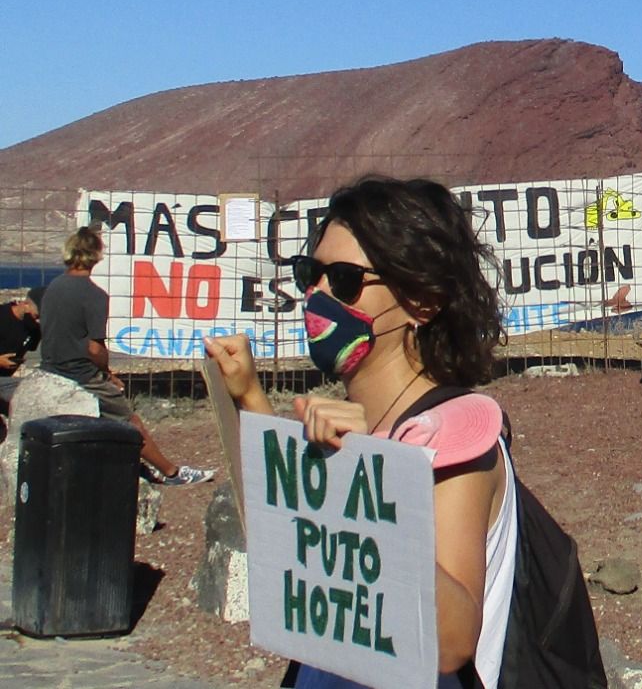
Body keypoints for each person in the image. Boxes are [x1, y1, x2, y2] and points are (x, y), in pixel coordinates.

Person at [204, 176, 550, 687]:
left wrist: (362, 474)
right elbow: (297, 552)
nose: (317, 295)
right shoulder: (358, 425)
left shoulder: (455, 435)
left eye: (345, 280)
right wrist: (250, 399)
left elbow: (453, 640)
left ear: (423, 301)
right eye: (310, 274)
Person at [38, 228, 213, 484]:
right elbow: (94, 349)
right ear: (96, 255)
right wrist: (107, 374)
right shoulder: (94, 295)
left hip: (50, 369)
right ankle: (171, 472)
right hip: (80, 374)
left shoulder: (53, 288)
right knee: (129, 421)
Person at [0, 289, 42, 404]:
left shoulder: (34, 329)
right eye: (36, 316)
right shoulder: (3, 316)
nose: (38, 321)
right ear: (25, 304)